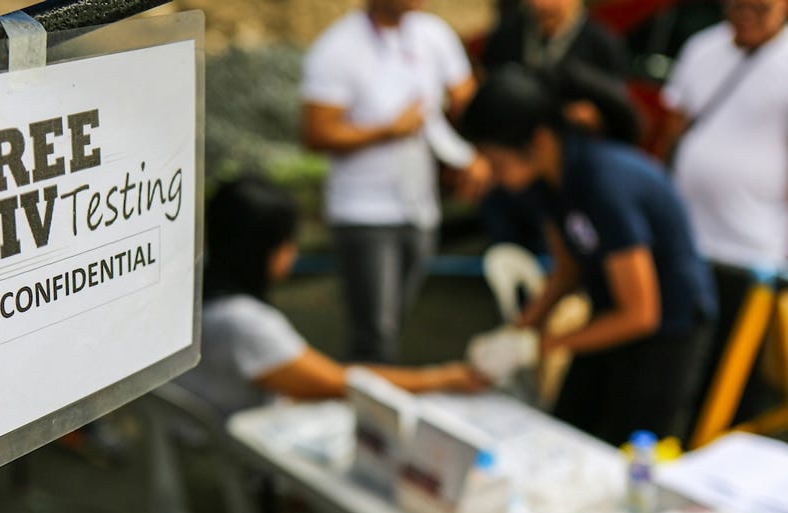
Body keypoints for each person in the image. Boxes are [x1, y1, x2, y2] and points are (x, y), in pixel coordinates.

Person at [176, 175, 488, 513]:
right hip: (232, 478)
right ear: (263, 249)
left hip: (195, 456)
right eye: (289, 244)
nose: (294, 254)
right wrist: (443, 377)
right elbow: (342, 382)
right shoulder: (246, 325)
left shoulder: (194, 297)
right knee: (374, 480)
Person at [459, 67, 717, 447]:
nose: (491, 174)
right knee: (567, 427)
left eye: (495, 161)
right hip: (609, 310)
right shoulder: (546, 184)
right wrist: (517, 331)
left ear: (539, 142)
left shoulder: (603, 184)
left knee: (623, 450)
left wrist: (538, 346)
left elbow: (641, 314)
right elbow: (567, 270)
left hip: (667, 328)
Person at [301, 0, 490, 363]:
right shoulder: (338, 47)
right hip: (364, 212)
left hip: (420, 206)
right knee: (376, 332)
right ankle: (368, 409)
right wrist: (389, 130)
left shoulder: (433, 34)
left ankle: (371, 397)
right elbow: (315, 133)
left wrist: (473, 154)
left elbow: (468, 99)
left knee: (393, 322)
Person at [660, 0, 788, 421]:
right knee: (673, 366)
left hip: (754, 254)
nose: (746, 15)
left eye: (760, 7)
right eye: (738, 5)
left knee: (730, 383)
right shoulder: (702, 47)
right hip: (686, 242)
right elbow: (673, 128)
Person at [478, 0, 639, 254]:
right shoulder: (508, 35)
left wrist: (590, 117)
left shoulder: (602, 42)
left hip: (567, 178)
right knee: (507, 253)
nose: (543, 5)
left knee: (565, 253)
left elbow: (621, 114)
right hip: (511, 172)